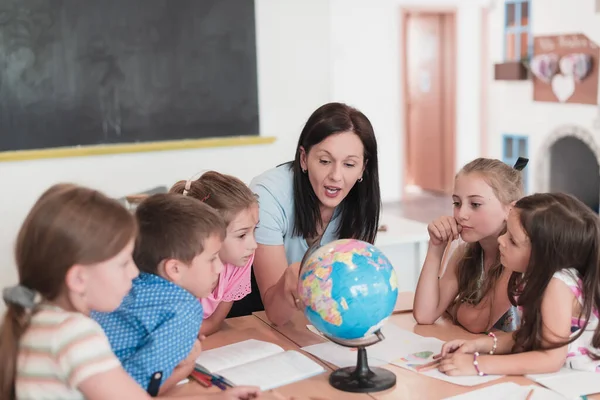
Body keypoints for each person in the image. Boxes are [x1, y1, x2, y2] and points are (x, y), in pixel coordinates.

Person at [0, 184, 259, 400]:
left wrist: (215, 397)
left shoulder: (42, 320)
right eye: (124, 263)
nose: (136, 274)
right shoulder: (74, 336)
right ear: (79, 278)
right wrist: (184, 372)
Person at [92, 194, 255, 397]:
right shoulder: (184, 308)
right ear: (174, 269)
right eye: (212, 259)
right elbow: (139, 388)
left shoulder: (127, 284)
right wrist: (184, 369)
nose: (220, 268)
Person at [436, 193, 600, 376]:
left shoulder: (557, 285)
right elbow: (530, 336)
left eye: (512, 240)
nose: (501, 240)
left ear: (543, 257)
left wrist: (477, 364)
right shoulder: (530, 277)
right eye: (506, 231)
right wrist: (480, 345)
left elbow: (550, 358)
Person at [249, 102, 381, 326]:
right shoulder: (267, 194)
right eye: (324, 161)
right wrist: (290, 281)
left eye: (349, 164)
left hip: (315, 321)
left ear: (363, 169)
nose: (336, 176)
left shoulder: (362, 200)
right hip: (261, 317)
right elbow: (274, 313)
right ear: (303, 158)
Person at [413, 158, 527, 333]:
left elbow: (477, 322)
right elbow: (424, 315)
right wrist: (436, 247)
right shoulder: (465, 254)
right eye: (457, 203)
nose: (461, 214)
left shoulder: (516, 259)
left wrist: (452, 306)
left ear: (510, 210)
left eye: (475, 204)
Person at [170, 171, 258, 336]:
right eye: (241, 235)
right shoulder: (181, 269)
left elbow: (213, 323)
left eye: (255, 230)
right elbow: (169, 331)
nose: (254, 245)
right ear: (209, 235)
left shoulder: (241, 261)